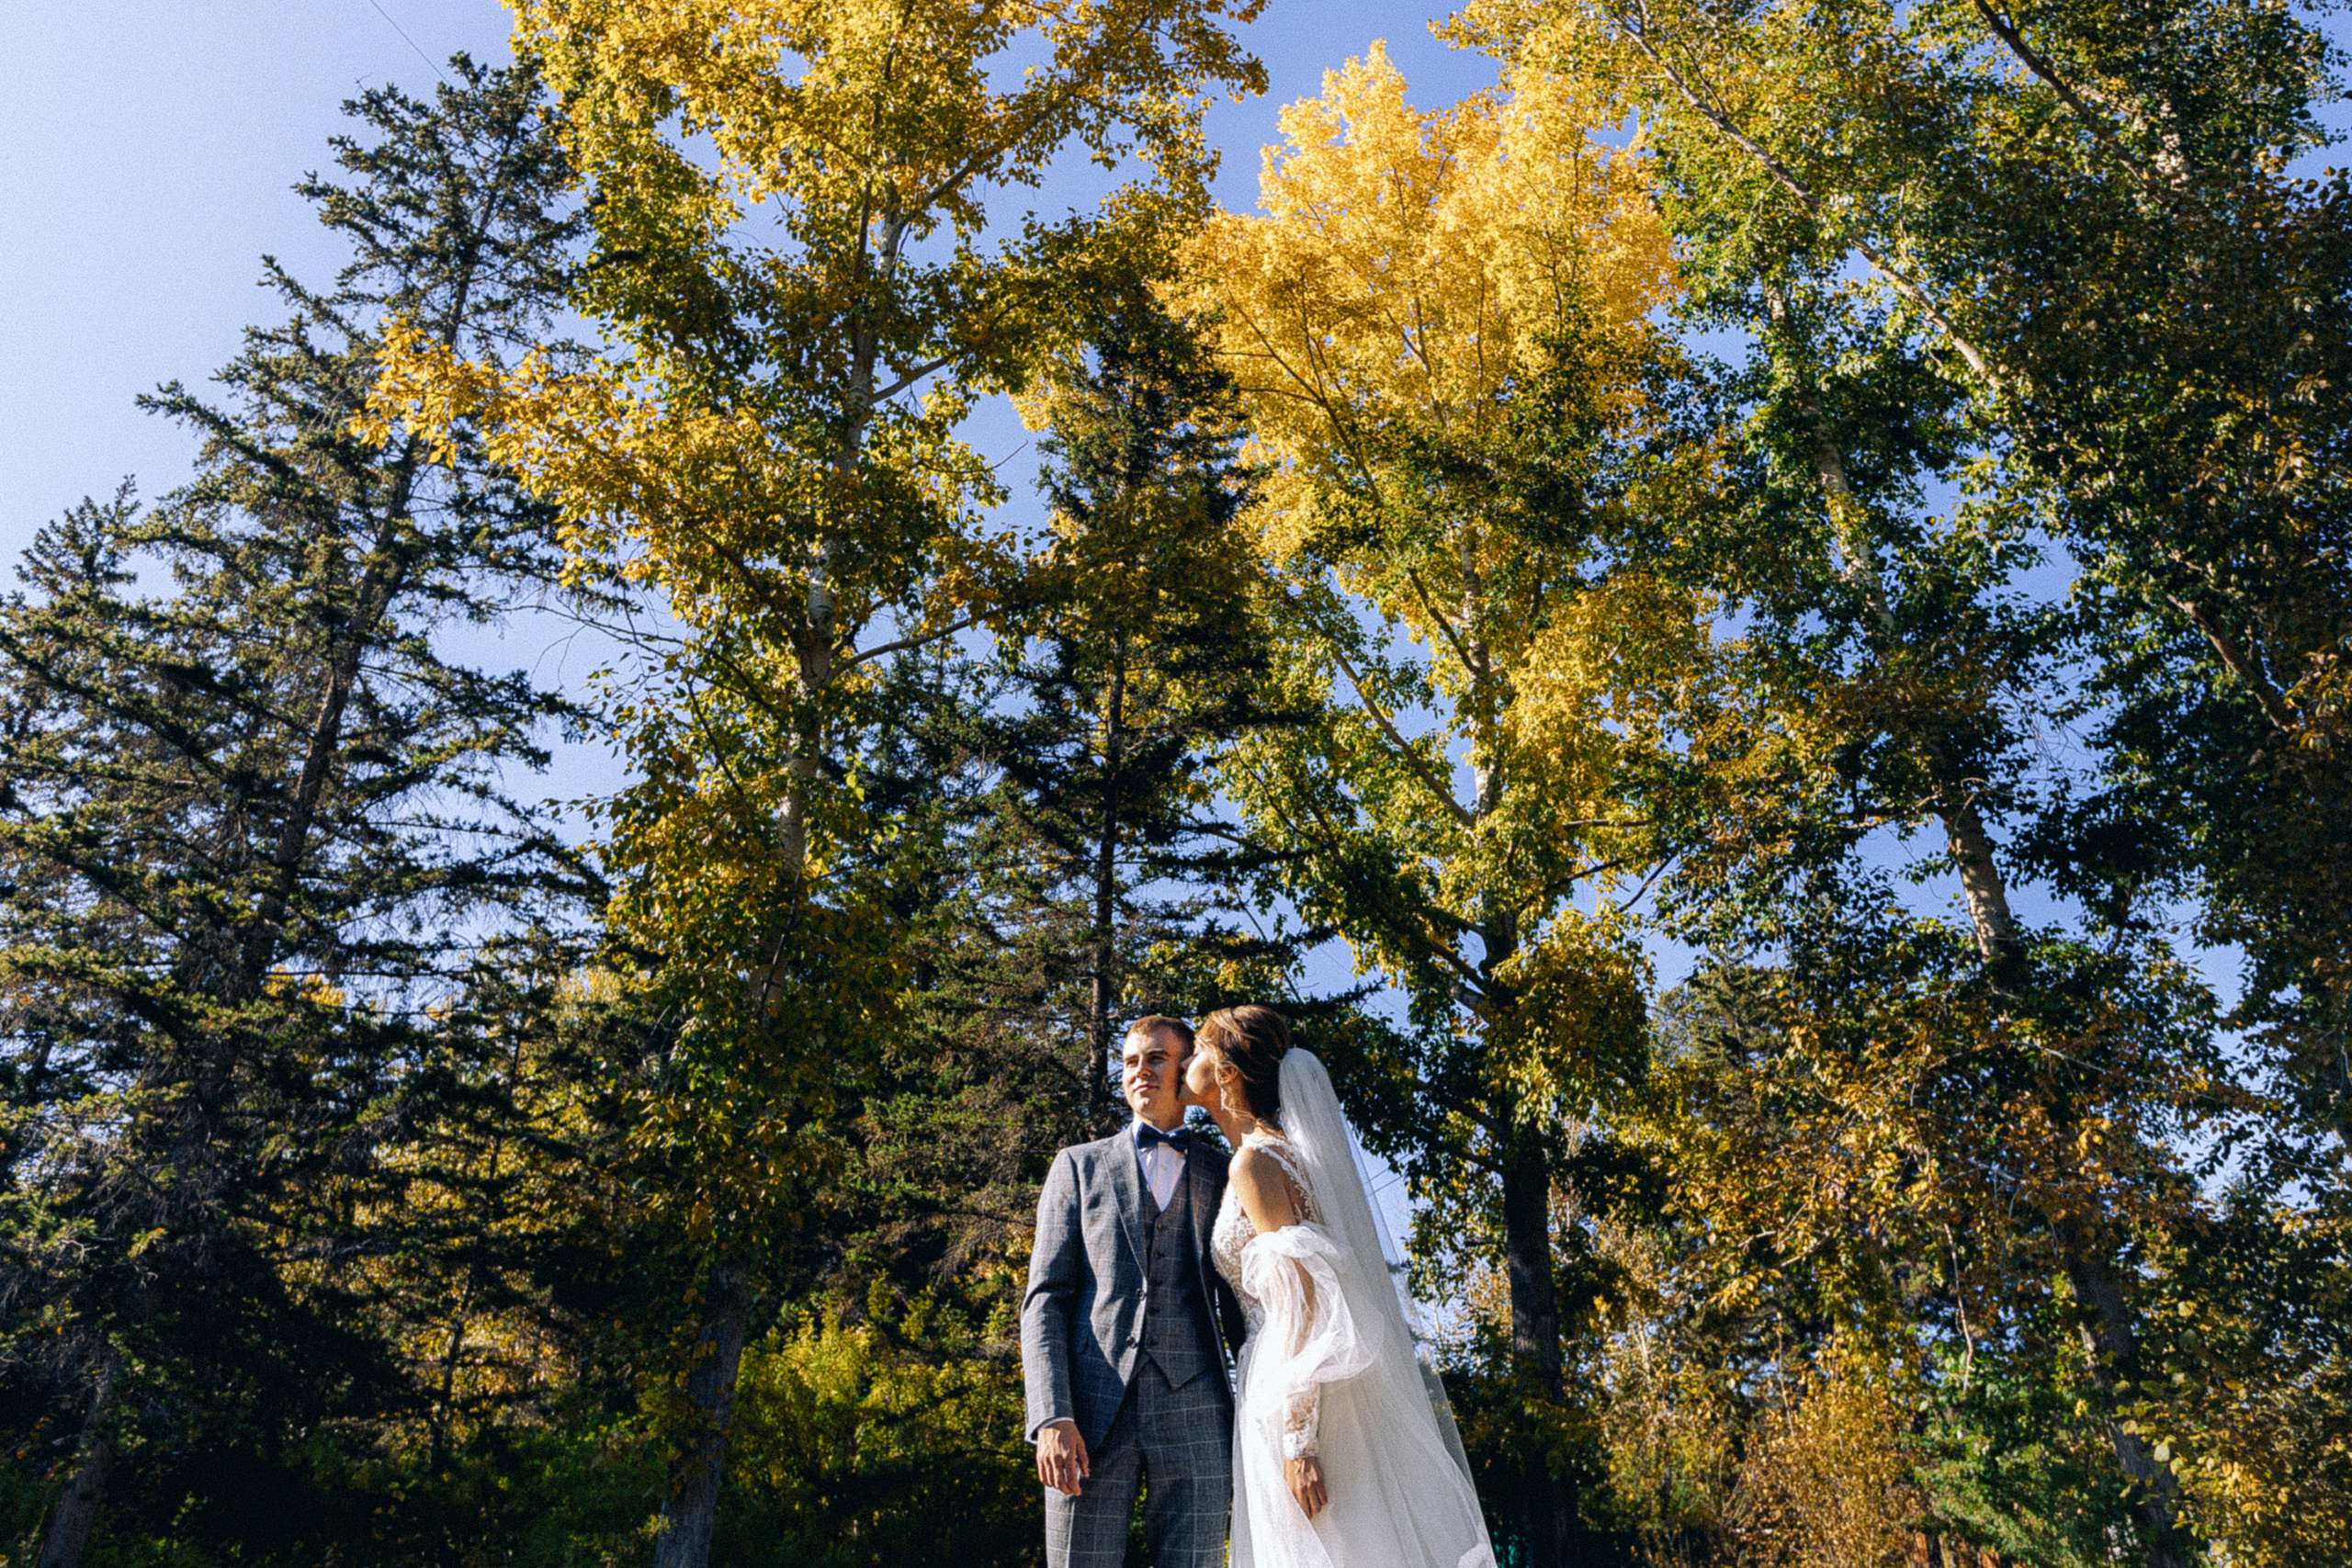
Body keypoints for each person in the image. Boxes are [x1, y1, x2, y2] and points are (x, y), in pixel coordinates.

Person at [1186, 1005, 1498, 1568]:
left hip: (1294, 1386)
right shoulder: (1283, 1156)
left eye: (1200, 1050)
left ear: (1227, 1073)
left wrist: (1298, 1441)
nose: (1189, 1058)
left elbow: (1303, 1304)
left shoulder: (1254, 1164)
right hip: (1305, 1380)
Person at [1021, 1015, 1249, 1568]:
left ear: (1187, 1068)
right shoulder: (1077, 1166)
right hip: (1089, 1414)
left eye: (1156, 1059)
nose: (1140, 1071)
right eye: (1129, 1062)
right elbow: (1045, 1301)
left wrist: (1271, 1420)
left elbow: (1244, 1308)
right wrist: (1052, 1415)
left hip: (1198, 1410)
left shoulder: (1226, 1171)